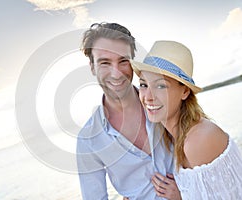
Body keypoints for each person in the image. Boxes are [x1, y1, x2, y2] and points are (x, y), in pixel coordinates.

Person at [76, 23, 181, 199]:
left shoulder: (167, 103)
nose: (116, 73)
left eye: (123, 61)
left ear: (133, 61)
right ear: (92, 67)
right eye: (104, 63)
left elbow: (206, 160)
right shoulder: (88, 140)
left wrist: (186, 193)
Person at [131, 40, 242, 199]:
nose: (148, 97)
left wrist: (181, 197)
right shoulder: (171, 135)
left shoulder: (199, 139)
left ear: (184, 91)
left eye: (161, 86)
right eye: (143, 85)